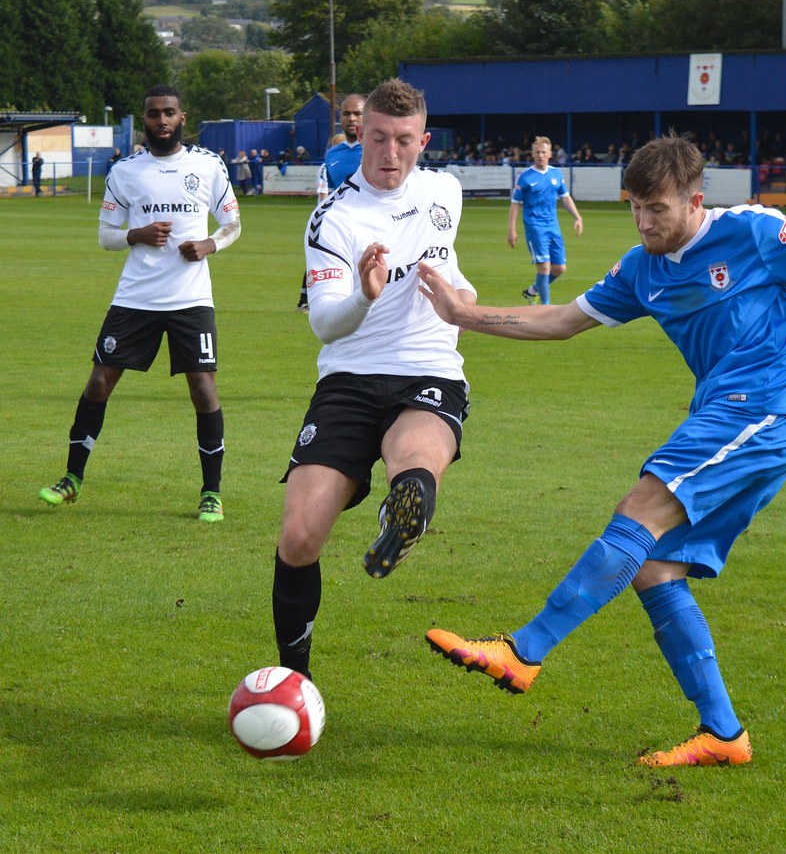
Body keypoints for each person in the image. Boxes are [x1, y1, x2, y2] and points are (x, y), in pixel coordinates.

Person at [416, 132, 786, 768]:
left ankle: (525, 650)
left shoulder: (752, 232)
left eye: (658, 210)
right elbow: (562, 319)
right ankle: (724, 736)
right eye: (635, 208)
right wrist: (467, 314)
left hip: (767, 409)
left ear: (694, 202)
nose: (645, 222)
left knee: (641, 506)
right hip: (737, 420)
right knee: (653, 568)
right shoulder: (640, 268)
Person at [272, 78, 476, 681]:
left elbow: (446, 255)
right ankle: (294, 679)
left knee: (414, 458)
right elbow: (327, 327)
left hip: (429, 369)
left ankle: (403, 508)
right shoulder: (333, 219)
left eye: (405, 141)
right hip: (351, 378)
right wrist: (364, 295)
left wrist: (461, 293)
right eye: (380, 137)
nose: (391, 152)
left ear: (424, 140)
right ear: (361, 133)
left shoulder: (446, 190)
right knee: (300, 534)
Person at [38, 84, 241, 522]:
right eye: (154, 114)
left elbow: (232, 224)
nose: (162, 121)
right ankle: (72, 478)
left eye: (169, 113)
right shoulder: (125, 171)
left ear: (182, 118)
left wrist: (208, 244)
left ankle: (211, 491)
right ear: (144, 119)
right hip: (136, 298)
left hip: (191, 300)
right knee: (97, 384)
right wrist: (137, 234)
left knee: (203, 389)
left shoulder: (207, 166)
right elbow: (106, 235)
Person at [299, 93, 365, 311]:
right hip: (341, 229)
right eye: (347, 113)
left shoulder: (377, 148)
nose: (352, 118)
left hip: (373, 226)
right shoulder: (333, 153)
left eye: (358, 113)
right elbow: (328, 193)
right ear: (340, 117)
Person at [509, 136, 583, 305]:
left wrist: (577, 217)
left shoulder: (556, 173)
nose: (540, 155)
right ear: (532, 154)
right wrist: (512, 229)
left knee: (559, 268)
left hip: (553, 226)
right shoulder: (525, 177)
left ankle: (531, 291)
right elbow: (515, 204)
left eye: (544, 152)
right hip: (535, 226)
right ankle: (545, 307)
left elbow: (565, 197)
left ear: (550, 154)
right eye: (537, 152)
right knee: (544, 267)